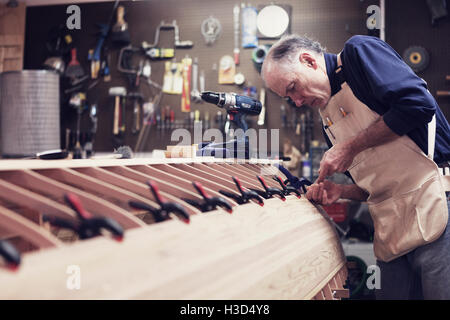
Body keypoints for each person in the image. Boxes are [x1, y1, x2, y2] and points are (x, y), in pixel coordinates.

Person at [261, 34, 450, 299]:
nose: (298, 101)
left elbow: (418, 104)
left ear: (309, 61)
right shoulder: (327, 118)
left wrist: (350, 147)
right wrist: (341, 191)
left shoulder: (358, 53)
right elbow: (376, 188)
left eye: (293, 87)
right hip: (391, 226)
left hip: (436, 202)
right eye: (289, 98)